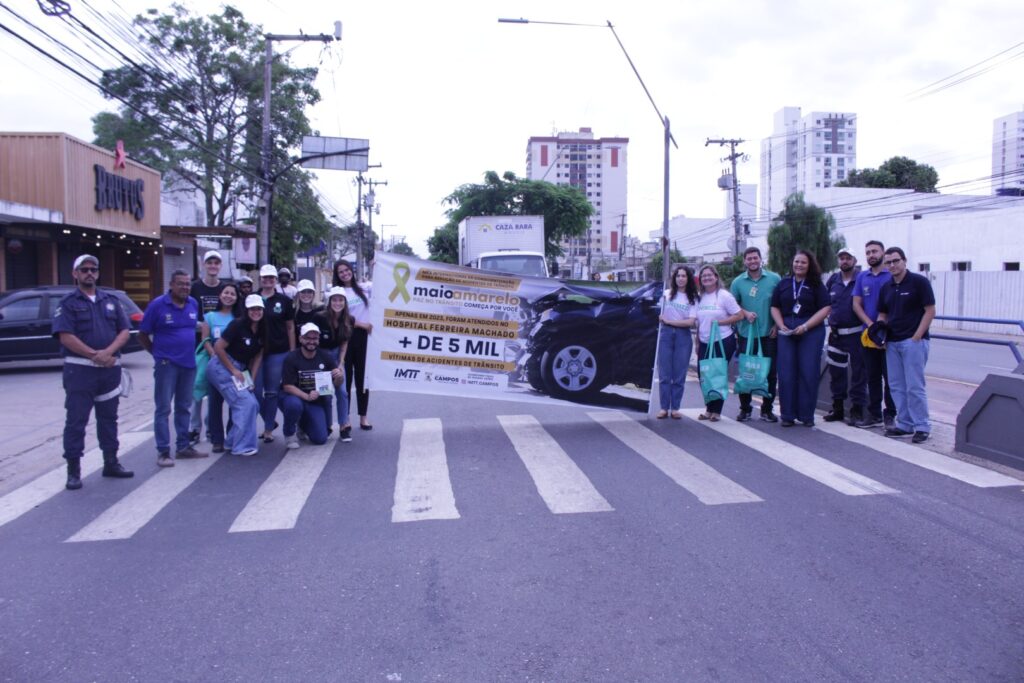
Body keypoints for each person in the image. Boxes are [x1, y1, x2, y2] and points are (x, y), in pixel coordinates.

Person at [52, 254, 134, 489]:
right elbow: (65, 335)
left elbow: (124, 331)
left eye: (93, 269)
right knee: (77, 421)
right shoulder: (68, 303)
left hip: (108, 371)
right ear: (75, 274)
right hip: (81, 372)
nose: (90, 273)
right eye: (84, 269)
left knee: (109, 419)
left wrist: (108, 352)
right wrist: (93, 355)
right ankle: (74, 470)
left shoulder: (111, 300)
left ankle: (111, 462)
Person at [139, 269, 209, 467]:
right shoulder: (158, 305)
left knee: (184, 407)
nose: (185, 287)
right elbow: (143, 334)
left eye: (187, 284)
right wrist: (157, 354)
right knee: (163, 408)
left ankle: (183, 447)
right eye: (180, 284)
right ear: (171, 285)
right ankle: (163, 451)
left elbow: (196, 328)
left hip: (188, 364)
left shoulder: (193, 304)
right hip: (166, 365)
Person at [877, 247, 936, 444]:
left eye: (896, 261)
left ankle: (922, 426)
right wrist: (880, 333)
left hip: (913, 342)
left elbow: (930, 310)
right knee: (896, 386)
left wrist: (917, 336)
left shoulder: (919, 282)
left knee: (914, 386)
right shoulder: (886, 287)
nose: (892, 265)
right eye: (889, 262)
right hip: (892, 343)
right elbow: (883, 314)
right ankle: (904, 424)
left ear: (904, 261)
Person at [771, 250, 831, 427]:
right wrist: (780, 324)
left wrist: (806, 326)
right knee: (786, 374)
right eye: (796, 262)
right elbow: (774, 306)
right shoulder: (783, 284)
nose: (799, 265)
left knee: (808, 372)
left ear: (809, 265)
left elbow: (826, 308)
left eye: (803, 262)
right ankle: (787, 415)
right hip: (787, 332)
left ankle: (806, 415)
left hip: (810, 332)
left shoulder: (816, 285)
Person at [206, 295, 266, 456]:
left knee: (253, 403)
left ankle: (231, 441)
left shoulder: (262, 329)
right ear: (247, 310)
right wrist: (233, 370)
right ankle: (242, 446)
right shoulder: (237, 325)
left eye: (259, 309)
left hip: (242, 369)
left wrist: (252, 379)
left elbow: (258, 355)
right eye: (252, 309)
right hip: (223, 367)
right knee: (245, 404)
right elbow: (218, 348)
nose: (256, 312)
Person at [730, 246, 782, 422]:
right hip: (746, 335)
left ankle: (767, 409)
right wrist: (744, 313)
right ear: (744, 261)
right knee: (746, 373)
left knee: (770, 373)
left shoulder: (774, 279)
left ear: (761, 259)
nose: (752, 261)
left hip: (769, 335)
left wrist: (777, 325)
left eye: (755, 258)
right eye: (749, 259)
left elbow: (781, 304)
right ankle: (745, 409)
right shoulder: (738, 282)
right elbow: (733, 306)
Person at [852, 240, 896, 429]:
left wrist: (881, 326)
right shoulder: (863, 276)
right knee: (872, 376)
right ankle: (874, 414)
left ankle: (890, 414)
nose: (871, 255)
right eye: (868, 252)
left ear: (883, 253)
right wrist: (871, 326)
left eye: (875, 251)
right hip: (869, 335)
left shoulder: (891, 274)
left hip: (889, 336)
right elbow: (856, 304)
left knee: (890, 377)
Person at [281, 323, 345, 448]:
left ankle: (302, 424)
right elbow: (287, 386)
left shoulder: (325, 356)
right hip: (294, 396)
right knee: (294, 405)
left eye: (314, 338)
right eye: (307, 338)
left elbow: (336, 384)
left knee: (321, 438)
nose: (311, 342)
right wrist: (306, 396)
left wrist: (339, 376)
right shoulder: (291, 358)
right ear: (300, 339)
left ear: (318, 340)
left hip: (315, 400)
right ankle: (289, 433)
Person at [694, 264, 743, 421]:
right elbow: (698, 322)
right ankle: (708, 409)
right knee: (704, 375)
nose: (707, 278)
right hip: (704, 341)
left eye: (710, 275)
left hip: (722, 340)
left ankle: (716, 411)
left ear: (716, 277)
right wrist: (697, 342)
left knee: (717, 375)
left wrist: (721, 322)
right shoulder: (699, 297)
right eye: (703, 276)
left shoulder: (724, 296)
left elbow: (739, 315)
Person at [823, 248, 867, 424]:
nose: (844, 261)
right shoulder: (833, 280)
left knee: (858, 374)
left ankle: (857, 411)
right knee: (836, 374)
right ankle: (838, 408)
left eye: (848, 258)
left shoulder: (862, 278)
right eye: (841, 258)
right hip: (836, 336)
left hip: (857, 335)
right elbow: (825, 302)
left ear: (854, 260)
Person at [188, 250, 226, 446]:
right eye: (209, 262)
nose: (213, 266)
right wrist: (204, 326)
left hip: (220, 347)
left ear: (220, 266)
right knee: (196, 389)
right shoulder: (195, 288)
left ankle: (212, 427)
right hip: (199, 346)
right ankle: (194, 429)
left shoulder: (225, 288)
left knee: (215, 391)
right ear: (204, 264)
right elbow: (189, 314)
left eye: (216, 263)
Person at [255, 264, 295, 443]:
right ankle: (261, 422)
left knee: (271, 392)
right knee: (255, 392)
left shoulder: (284, 301)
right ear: (260, 279)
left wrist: (292, 352)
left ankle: (269, 429)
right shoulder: (252, 299)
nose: (268, 281)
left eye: (271, 278)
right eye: (265, 278)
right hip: (255, 352)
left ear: (276, 280)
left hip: (278, 352)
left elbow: (290, 327)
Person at [333, 259, 373, 432]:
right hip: (345, 337)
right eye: (341, 272)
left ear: (352, 270)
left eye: (347, 270)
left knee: (363, 379)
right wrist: (362, 325)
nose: (344, 274)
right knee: (346, 380)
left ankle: (363, 417)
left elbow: (385, 284)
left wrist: (375, 265)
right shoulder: (336, 292)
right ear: (337, 275)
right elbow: (339, 317)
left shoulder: (365, 288)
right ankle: (345, 418)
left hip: (364, 339)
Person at [200, 283, 240, 453]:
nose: (229, 296)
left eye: (232, 293)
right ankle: (217, 439)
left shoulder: (239, 318)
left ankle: (231, 435)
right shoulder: (209, 317)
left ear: (237, 298)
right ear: (220, 295)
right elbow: (206, 340)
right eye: (226, 292)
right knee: (215, 404)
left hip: (235, 365)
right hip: (216, 365)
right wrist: (214, 355)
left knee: (235, 402)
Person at [656, 265, 697, 419]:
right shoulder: (666, 294)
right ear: (674, 278)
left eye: (684, 276)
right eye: (678, 276)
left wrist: (669, 321)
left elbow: (690, 322)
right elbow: (657, 312)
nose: (681, 278)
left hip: (683, 336)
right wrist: (662, 319)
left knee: (679, 374)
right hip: (665, 335)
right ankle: (664, 407)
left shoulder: (693, 297)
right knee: (665, 374)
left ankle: (675, 408)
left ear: (688, 278)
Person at [314, 287, 353, 441]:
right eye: (334, 300)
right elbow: (314, 341)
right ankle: (328, 425)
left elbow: (344, 344)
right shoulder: (319, 317)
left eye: (340, 300)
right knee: (326, 393)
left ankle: (344, 425)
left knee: (342, 392)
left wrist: (341, 364)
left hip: (337, 356)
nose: (337, 303)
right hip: (321, 356)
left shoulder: (349, 320)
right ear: (329, 302)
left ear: (345, 302)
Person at [293, 279, 322, 347]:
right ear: (298, 294)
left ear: (313, 294)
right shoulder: (293, 312)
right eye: (303, 292)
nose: (306, 295)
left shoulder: (320, 311)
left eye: (309, 292)